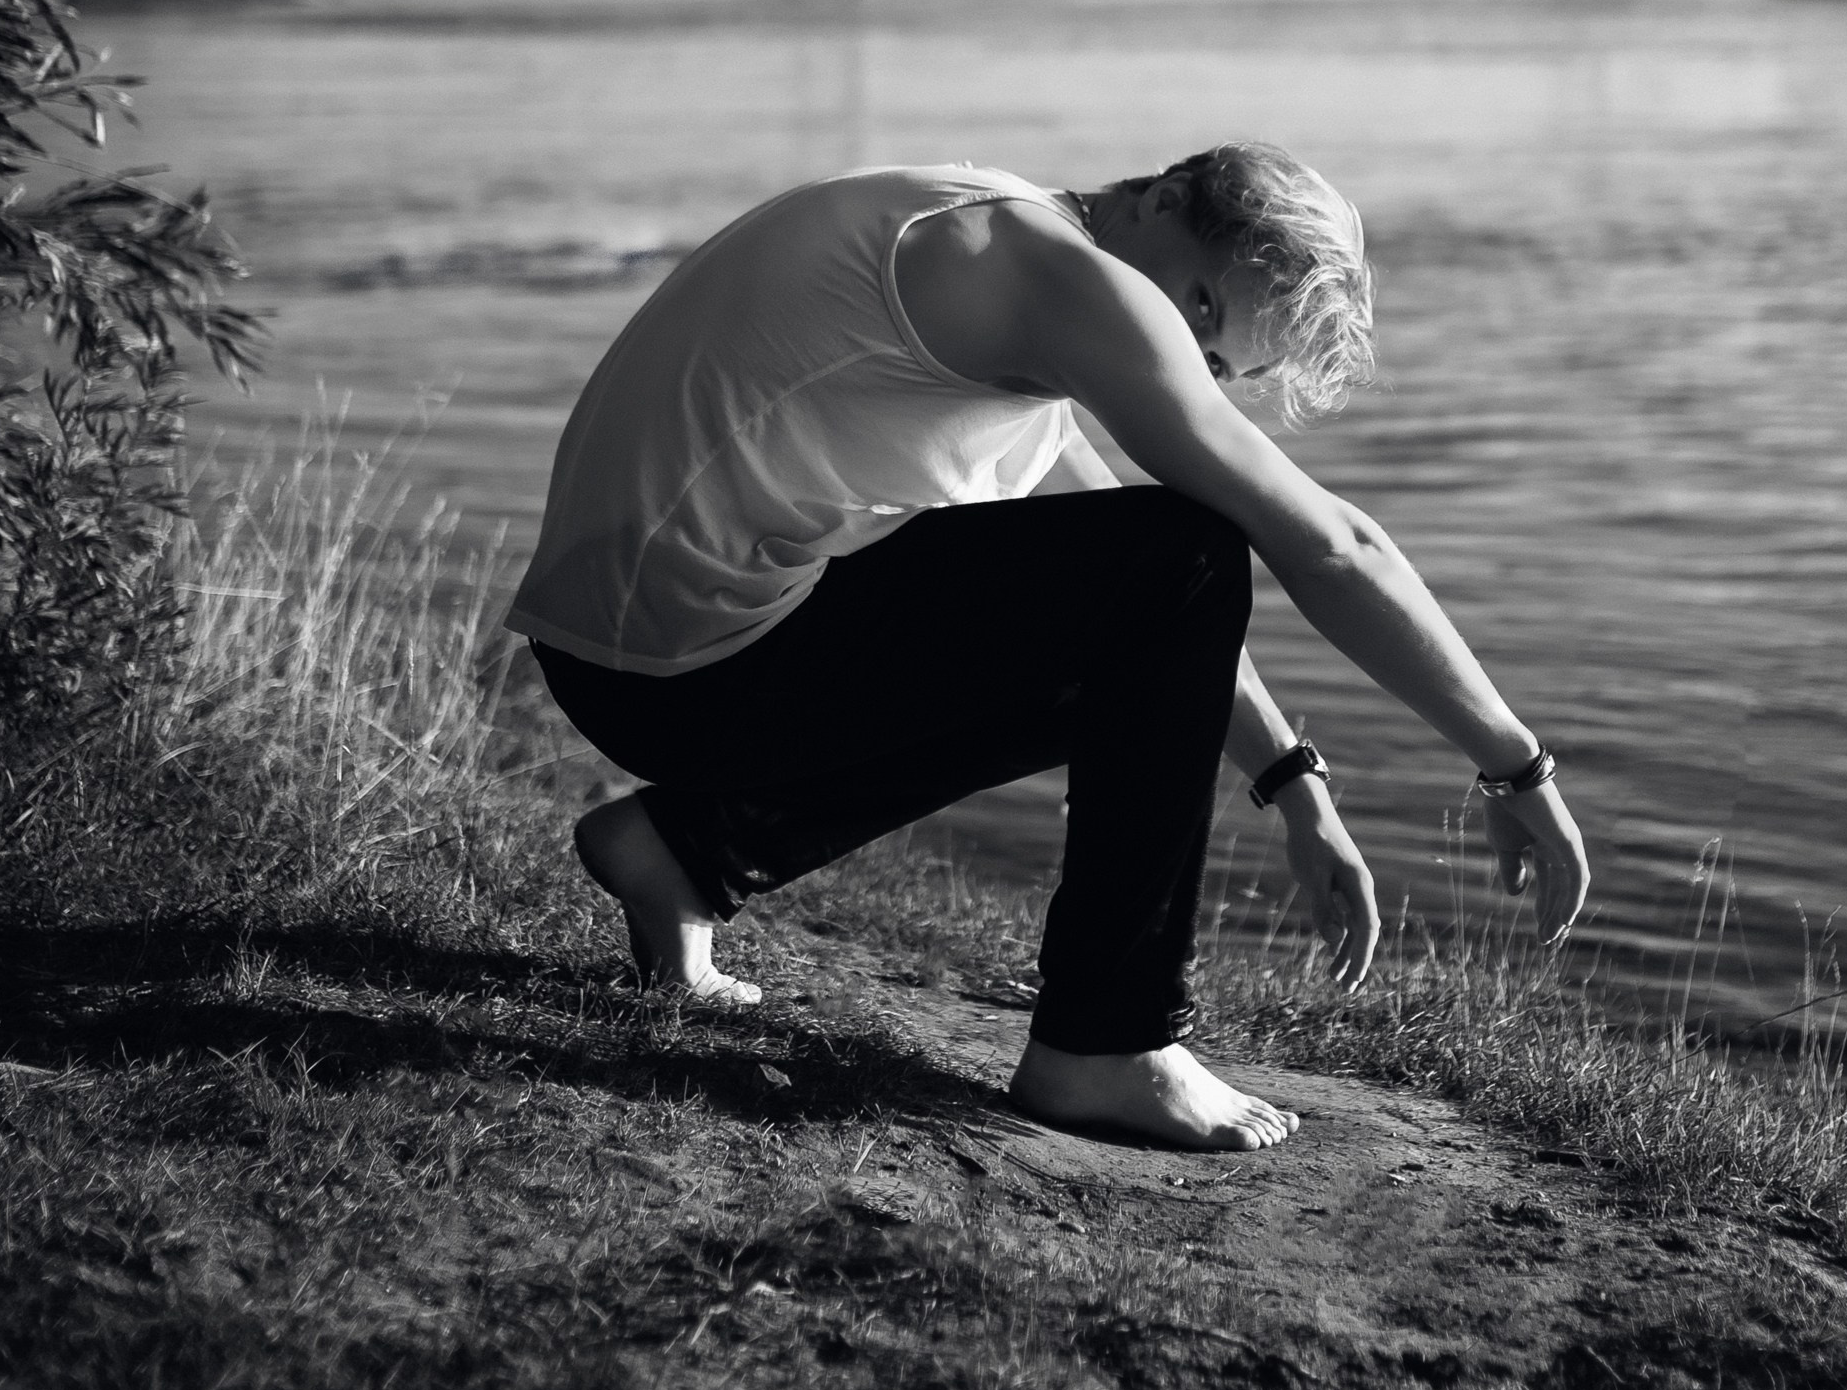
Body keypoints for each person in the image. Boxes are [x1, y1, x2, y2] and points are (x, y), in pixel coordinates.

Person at [506, 146, 1588, 1154]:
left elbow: (1132, 623)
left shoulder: (1007, 259)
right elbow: (1331, 546)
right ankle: (1105, 1040)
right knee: (1195, 549)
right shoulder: (1051, 277)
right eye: (1202, 303)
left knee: (1153, 578)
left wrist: (1292, 781)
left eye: (1217, 356)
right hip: (678, 668)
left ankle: (685, 851)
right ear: (1162, 197)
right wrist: (1512, 758)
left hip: (640, 658)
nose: (1188, 352)